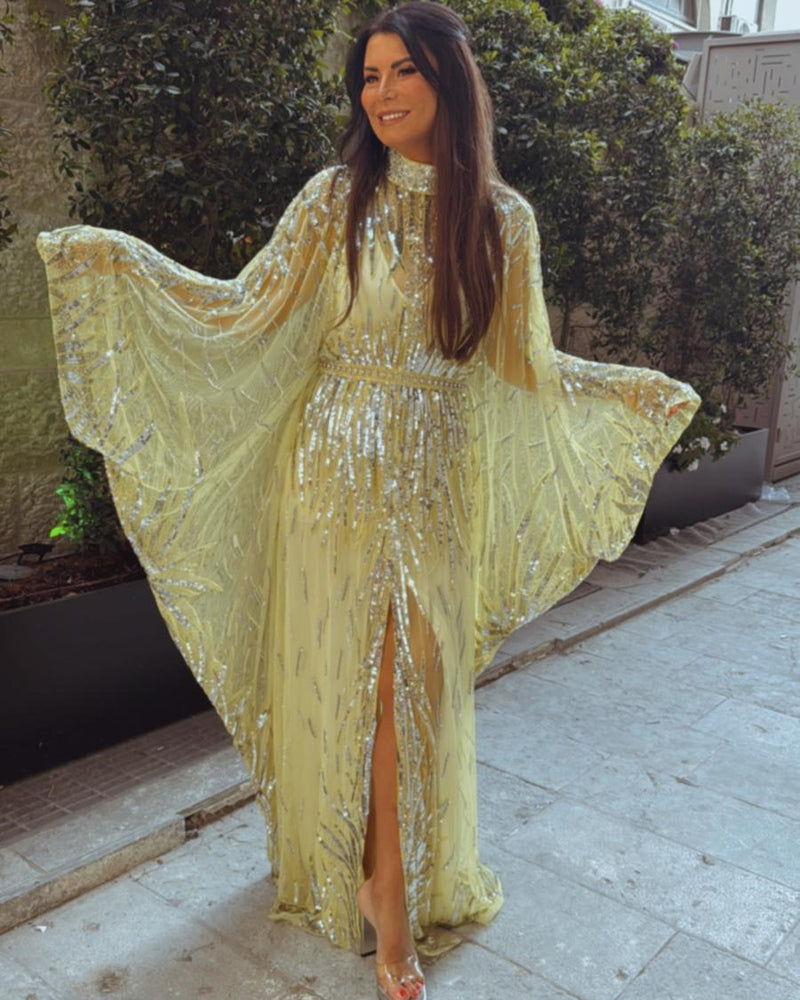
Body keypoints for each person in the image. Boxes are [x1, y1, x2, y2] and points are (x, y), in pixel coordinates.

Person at [37, 3, 698, 998]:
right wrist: (117, 265)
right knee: (354, 679)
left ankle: (384, 873)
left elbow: (524, 364)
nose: (381, 93)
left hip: (433, 479)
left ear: (448, 82)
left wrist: (628, 397)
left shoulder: (501, 221)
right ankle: (379, 894)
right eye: (369, 76)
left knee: (411, 685)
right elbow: (245, 307)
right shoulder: (333, 199)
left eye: (403, 72)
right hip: (333, 470)